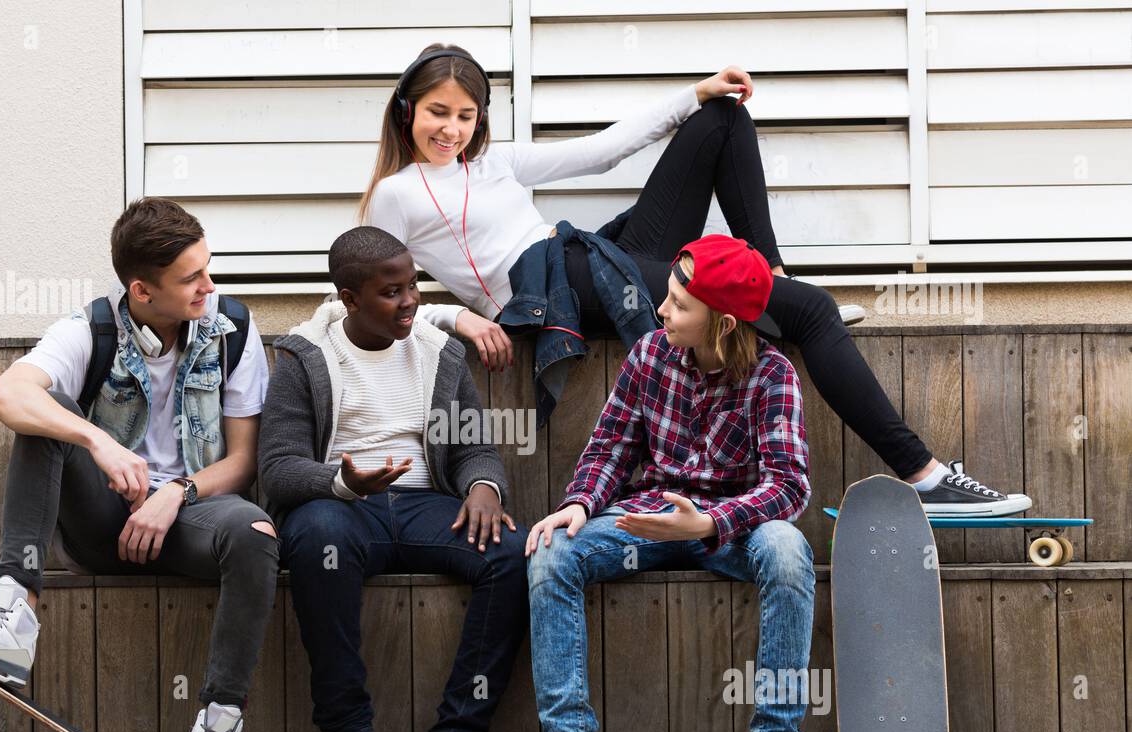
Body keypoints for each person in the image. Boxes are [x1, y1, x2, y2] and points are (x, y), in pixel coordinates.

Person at [360, 43, 1029, 516]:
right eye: (437, 112)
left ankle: (768, 277)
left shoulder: (495, 162)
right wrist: (460, 316)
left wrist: (694, 93)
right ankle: (925, 475)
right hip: (559, 288)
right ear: (406, 111)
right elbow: (366, 301)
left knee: (720, 118)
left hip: (594, 257)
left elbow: (601, 152)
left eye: (465, 115)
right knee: (813, 313)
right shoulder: (395, 194)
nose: (451, 128)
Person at [0, 198, 278, 732]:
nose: (208, 287)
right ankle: (11, 624)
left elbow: (243, 462)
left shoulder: (232, 329)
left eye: (207, 269)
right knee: (43, 419)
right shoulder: (91, 329)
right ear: (141, 290)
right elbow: (5, 394)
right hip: (104, 523)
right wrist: (97, 439)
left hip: (195, 522)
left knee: (258, 530)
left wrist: (177, 492)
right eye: (191, 278)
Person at [474, 236, 820, 732]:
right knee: (552, 548)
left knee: (789, 549)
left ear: (726, 324)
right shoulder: (651, 354)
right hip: (650, 520)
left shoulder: (772, 375)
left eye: (681, 305)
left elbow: (788, 486)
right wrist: (580, 505)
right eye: (668, 297)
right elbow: (610, 446)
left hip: (735, 530)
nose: (662, 311)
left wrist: (708, 522)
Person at [258, 226, 528, 732]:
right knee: (318, 541)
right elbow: (278, 468)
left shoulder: (440, 352)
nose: (409, 302)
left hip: (425, 503)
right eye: (391, 292)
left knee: (511, 551)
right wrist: (340, 481)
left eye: (413, 287)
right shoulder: (304, 357)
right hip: (340, 508)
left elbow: (473, 445)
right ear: (350, 299)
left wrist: (484, 486)